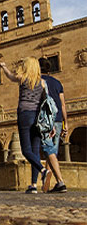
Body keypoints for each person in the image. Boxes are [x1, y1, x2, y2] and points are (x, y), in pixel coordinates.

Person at [0, 58, 48, 193]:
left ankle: (43, 170)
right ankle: (33, 185)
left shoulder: (22, 78)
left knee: (26, 150)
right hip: (38, 117)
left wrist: (4, 67)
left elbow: (10, 76)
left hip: (25, 115)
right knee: (35, 150)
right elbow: (45, 101)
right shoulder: (43, 83)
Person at [41, 60, 68, 193]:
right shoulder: (57, 83)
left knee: (49, 151)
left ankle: (60, 182)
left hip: (46, 120)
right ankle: (50, 183)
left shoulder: (37, 82)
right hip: (58, 120)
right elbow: (63, 105)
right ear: (49, 70)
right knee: (51, 151)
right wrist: (65, 123)